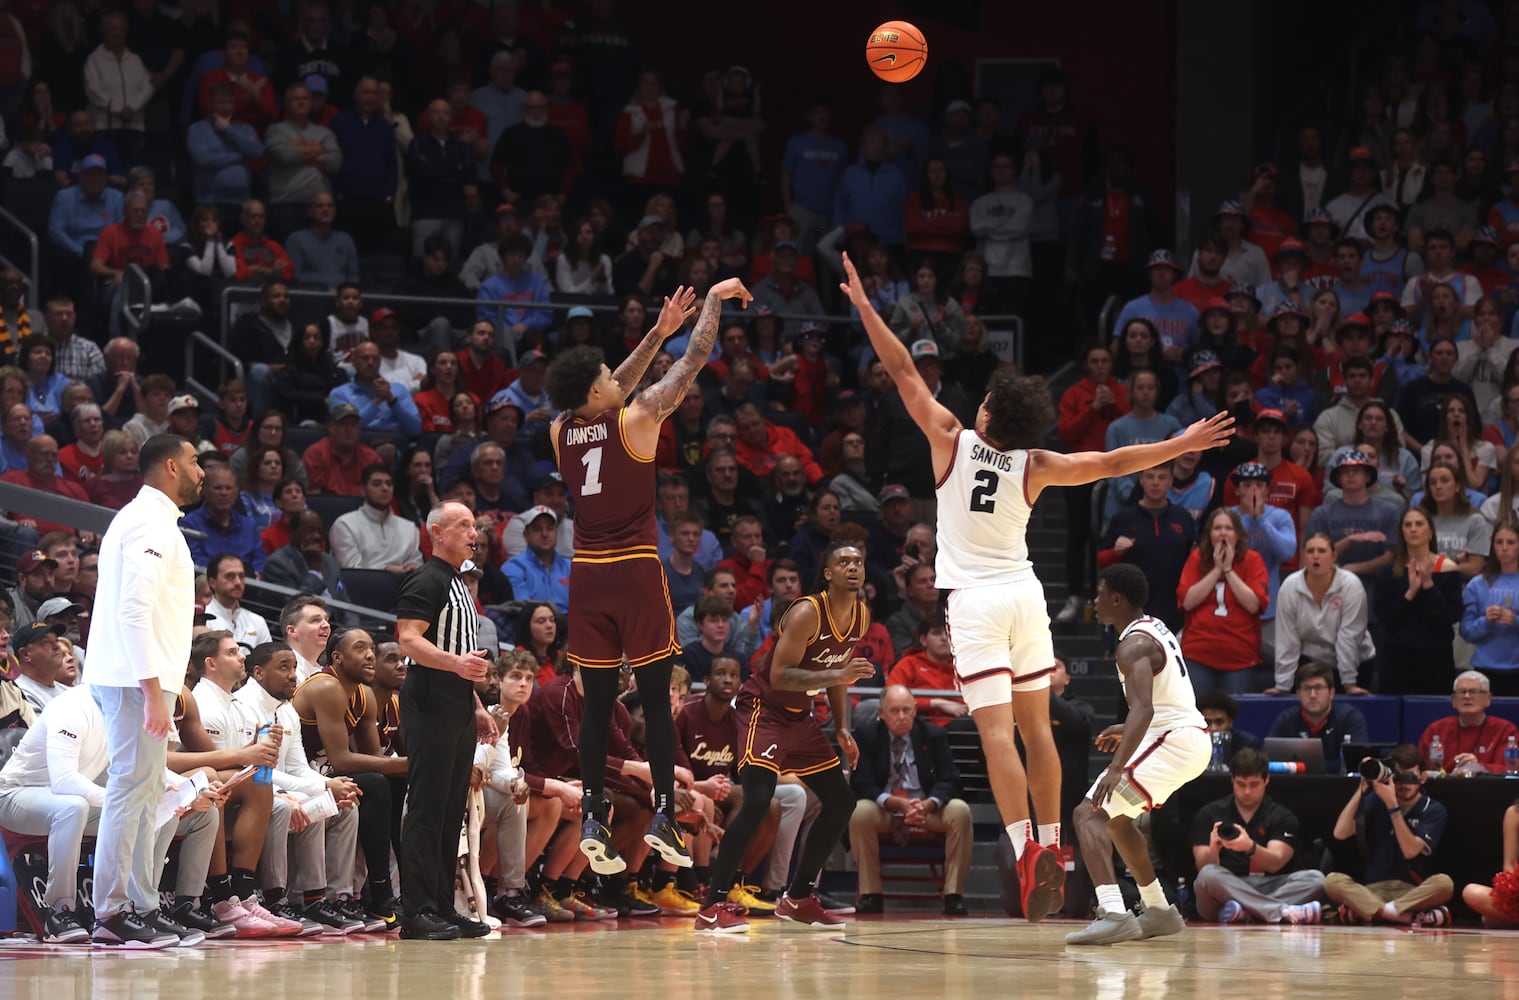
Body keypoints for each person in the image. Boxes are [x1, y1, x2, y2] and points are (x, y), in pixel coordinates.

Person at [842, 251, 1234, 923]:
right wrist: (1180, 441)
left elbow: (904, 370)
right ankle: (1053, 845)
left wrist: (865, 308)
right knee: (1037, 729)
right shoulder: (1037, 464)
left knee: (996, 735)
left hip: (974, 603)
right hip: (1025, 596)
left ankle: (1026, 848)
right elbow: (1113, 460)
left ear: (987, 413)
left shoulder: (949, 439)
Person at [544, 282, 738, 883]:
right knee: (655, 697)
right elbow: (695, 360)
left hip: (587, 577)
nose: (615, 375)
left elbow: (610, 389)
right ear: (598, 391)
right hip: (633, 569)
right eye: (606, 372)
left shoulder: (560, 431)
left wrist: (657, 329)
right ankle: (663, 816)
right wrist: (710, 303)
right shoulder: (641, 418)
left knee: (598, 703)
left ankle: (596, 814)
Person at [696, 541, 876, 933]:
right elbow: (780, 675)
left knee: (841, 800)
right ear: (828, 573)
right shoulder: (807, 612)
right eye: (843, 561)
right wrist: (838, 676)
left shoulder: (860, 616)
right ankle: (712, 905)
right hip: (765, 708)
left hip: (801, 717)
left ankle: (797, 897)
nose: (852, 567)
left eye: (858, 562)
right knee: (759, 799)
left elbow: (839, 673)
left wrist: (842, 726)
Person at [87, 434, 207, 946]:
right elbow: (132, 611)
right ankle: (112, 912)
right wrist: (154, 692)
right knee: (129, 791)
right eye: (197, 462)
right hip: (134, 682)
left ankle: (141, 904)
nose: (204, 472)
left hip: (136, 679)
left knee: (146, 794)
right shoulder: (148, 522)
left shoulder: (150, 520)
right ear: (172, 467)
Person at [1065, 563, 1209, 945]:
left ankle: (1113, 912)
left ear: (1116, 598)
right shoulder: (1153, 626)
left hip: (1175, 742)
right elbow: (1157, 703)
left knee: (1089, 813)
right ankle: (1159, 911)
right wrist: (1125, 730)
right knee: (1115, 820)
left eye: (1098, 594)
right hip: (1181, 738)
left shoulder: (1131, 645)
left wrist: (1115, 769)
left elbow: (1143, 708)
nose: (1094, 601)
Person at [393, 502, 499, 940]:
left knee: (450, 810)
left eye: (475, 526)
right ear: (436, 533)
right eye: (462, 525)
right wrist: (456, 667)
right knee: (427, 809)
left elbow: (460, 652)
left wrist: (474, 702)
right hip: (430, 700)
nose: (473, 532)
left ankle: (442, 906)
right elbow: (409, 639)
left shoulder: (460, 582)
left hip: (456, 702)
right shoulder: (426, 578)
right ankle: (416, 912)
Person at [849, 684, 973, 916]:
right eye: (894, 711)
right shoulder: (866, 736)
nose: (902, 717)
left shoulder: (933, 735)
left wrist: (929, 804)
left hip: (925, 809)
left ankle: (953, 895)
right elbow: (861, 783)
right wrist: (893, 802)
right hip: (885, 809)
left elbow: (951, 780)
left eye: (907, 710)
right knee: (860, 812)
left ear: (915, 711)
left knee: (960, 811)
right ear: (881, 713)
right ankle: (870, 894)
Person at [1188, 747, 1326, 924]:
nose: (1246, 791)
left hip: (1266, 885)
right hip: (1225, 887)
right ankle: (1279, 910)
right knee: (1208, 875)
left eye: (1254, 784)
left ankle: (1244, 912)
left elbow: (1276, 862)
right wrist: (1213, 851)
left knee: (1316, 879)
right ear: (1232, 780)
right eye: (1241, 784)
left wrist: (1250, 847)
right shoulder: (1210, 814)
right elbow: (1203, 868)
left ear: (1266, 780)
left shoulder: (1282, 816)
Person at [1324, 743, 1454, 927]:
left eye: (1411, 777)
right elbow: (1340, 833)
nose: (1405, 784)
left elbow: (1410, 851)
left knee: (1444, 884)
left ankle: (1373, 912)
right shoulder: (1376, 800)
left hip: (1412, 892)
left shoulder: (1433, 809)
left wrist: (1393, 807)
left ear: (1423, 777)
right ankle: (1403, 916)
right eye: (1399, 778)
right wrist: (1361, 789)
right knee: (1332, 881)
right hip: (1372, 890)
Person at [1375, 505, 1464, 695]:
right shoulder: (1387, 572)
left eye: (1419, 524)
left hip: (1436, 658)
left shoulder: (1448, 569)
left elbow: (1451, 615)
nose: (1413, 529)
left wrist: (1428, 585)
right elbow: (1385, 618)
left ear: (1430, 532)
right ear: (1402, 533)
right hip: (1397, 658)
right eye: (1408, 525)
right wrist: (1411, 593)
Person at [1272, 533, 1376, 694]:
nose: (1315, 556)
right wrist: (1283, 685)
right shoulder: (1290, 587)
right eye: (1310, 551)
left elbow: (1349, 636)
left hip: (1356, 661)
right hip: (1311, 662)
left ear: (1334, 556)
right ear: (1303, 556)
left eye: (1321, 551)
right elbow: (1287, 639)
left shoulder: (1351, 585)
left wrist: (1349, 683)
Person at [1418, 670, 1519, 774]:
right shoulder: (1436, 730)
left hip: (1490, 789)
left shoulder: (1505, 730)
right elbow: (1420, 770)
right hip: (1444, 788)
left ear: (1488, 699)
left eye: (1473, 691)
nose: (1467, 696)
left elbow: (1511, 771)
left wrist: (1479, 767)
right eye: (1462, 692)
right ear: (1453, 700)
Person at [1267, 662, 1369, 760]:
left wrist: (1303, 767)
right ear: (1298, 693)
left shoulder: (1349, 718)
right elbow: (1269, 760)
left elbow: (1355, 761)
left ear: (1331, 692)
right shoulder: (1286, 720)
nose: (1312, 695)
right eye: (1307, 688)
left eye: (1318, 688)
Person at [1461, 522, 1519, 695]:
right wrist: (1485, 621)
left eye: (1511, 542)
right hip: (1485, 668)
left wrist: (1514, 621)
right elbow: (1466, 631)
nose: (1504, 548)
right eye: (1499, 542)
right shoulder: (1477, 585)